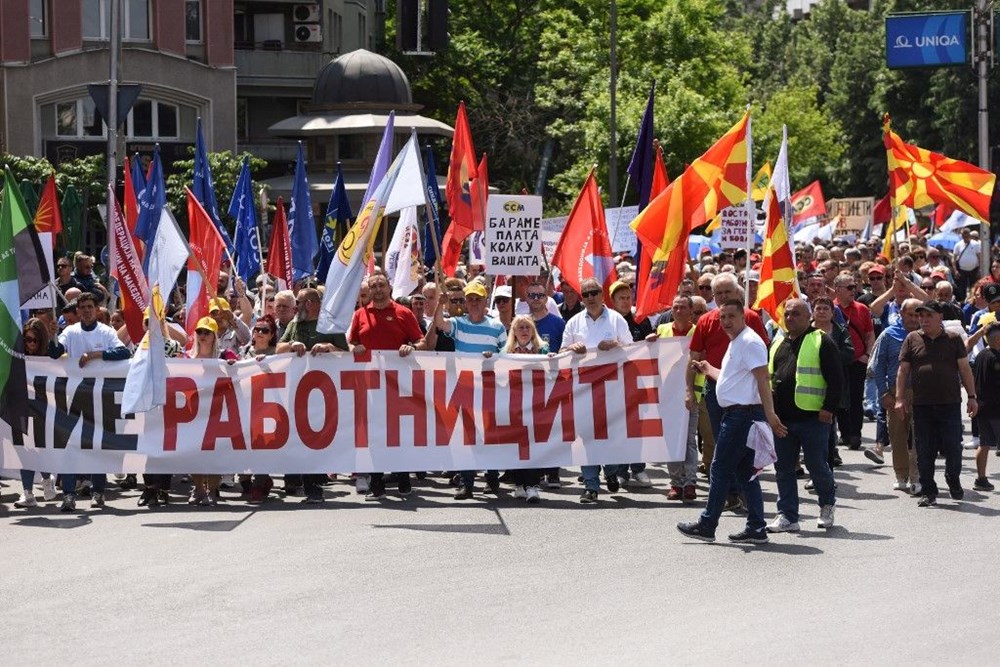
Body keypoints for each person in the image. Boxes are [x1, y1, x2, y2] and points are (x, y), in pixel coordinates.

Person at [676, 301, 787, 544]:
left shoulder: (749, 341)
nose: (726, 321)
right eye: (722, 317)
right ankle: (756, 527)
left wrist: (770, 413)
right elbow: (733, 379)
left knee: (720, 468)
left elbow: (762, 378)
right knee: (745, 472)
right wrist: (709, 369)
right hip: (739, 414)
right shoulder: (737, 341)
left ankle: (707, 524)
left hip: (742, 416)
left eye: (731, 316)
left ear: (743, 317)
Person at [687, 273, 769, 511]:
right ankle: (733, 496)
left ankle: (714, 515)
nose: (723, 297)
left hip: (745, 399)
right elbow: (694, 357)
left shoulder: (751, 320)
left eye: (727, 292)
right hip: (716, 391)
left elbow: (761, 366)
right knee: (720, 442)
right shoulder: (707, 320)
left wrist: (769, 408)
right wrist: (689, 389)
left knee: (738, 453)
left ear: (738, 294)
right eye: (718, 293)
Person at [765, 299, 844, 533]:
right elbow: (769, 378)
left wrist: (828, 409)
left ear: (808, 316)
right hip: (782, 419)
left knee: (817, 465)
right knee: (784, 468)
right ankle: (788, 515)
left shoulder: (821, 340)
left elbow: (837, 379)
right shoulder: (777, 342)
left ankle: (827, 505)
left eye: (796, 314)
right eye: (787, 314)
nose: (790, 318)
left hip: (813, 418)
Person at [49, 292, 132, 511]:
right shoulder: (70, 332)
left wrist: (94, 355)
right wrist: (51, 337)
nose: (86, 310)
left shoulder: (105, 332)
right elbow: (55, 352)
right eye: (82, 307)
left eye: (89, 307)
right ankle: (68, 495)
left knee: (97, 445)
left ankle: (98, 491)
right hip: (74, 397)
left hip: (99, 398)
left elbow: (123, 352)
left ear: (96, 309)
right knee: (69, 446)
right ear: (77, 311)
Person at [348, 273, 427, 500]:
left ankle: (403, 479)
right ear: (369, 291)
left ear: (389, 287)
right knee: (374, 436)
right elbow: (352, 341)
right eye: (374, 286)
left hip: (398, 386)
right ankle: (376, 484)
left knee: (398, 434)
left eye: (382, 285)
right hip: (370, 385)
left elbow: (420, 341)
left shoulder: (404, 313)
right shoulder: (360, 315)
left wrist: (411, 346)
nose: (378, 289)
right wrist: (353, 347)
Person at [896, 300, 978, 507]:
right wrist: (899, 398)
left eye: (928, 316)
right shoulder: (912, 339)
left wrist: (972, 396)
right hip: (921, 405)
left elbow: (965, 369)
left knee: (953, 448)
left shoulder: (953, 339)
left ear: (940, 317)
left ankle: (953, 478)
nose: (923, 320)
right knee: (924, 450)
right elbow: (903, 370)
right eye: (921, 316)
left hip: (949, 404)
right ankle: (929, 491)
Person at [560, 277, 633, 503]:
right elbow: (561, 352)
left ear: (603, 295)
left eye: (594, 293)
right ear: (581, 298)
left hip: (611, 387)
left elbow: (632, 350)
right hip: (583, 387)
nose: (590, 297)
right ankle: (591, 485)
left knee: (608, 435)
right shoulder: (573, 323)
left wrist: (615, 346)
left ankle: (611, 471)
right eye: (586, 294)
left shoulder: (617, 319)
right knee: (587, 437)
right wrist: (571, 347)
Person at [433, 281, 508, 499]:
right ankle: (467, 483)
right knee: (465, 437)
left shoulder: (497, 327)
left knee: (489, 435)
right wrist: (440, 304)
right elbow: (439, 323)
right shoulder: (458, 323)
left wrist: (494, 357)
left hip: (488, 387)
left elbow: (506, 353)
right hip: (464, 387)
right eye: (470, 299)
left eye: (478, 299)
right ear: (466, 302)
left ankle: (492, 479)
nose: (474, 303)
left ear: (485, 301)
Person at [277, 287, 349, 503]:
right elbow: (278, 349)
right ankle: (311, 486)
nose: (296, 307)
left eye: (298, 302)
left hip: (326, 393)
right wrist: (292, 344)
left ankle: (316, 482)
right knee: (302, 438)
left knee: (320, 439)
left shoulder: (330, 326)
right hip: (298, 391)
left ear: (310, 303)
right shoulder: (294, 324)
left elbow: (346, 354)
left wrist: (328, 346)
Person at [866, 298, 922, 492]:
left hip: (923, 393)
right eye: (910, 314)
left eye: (918, 314)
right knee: (898, 435)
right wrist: (883, 393)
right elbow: (877, 367)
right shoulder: (888, 335)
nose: (915, 318)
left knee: (921, 437)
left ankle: (917, 476)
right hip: (895, 393)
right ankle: (901, 474)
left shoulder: (926, 334)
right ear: (901, 314)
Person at [648, 295, 700, 502]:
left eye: (682, 307)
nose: (678, 311)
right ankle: (676, 483)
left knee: (688, 440)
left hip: (691, 393)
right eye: (675, 307)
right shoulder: (662, 330)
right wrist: (650, 342)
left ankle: (690, 482)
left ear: (690, 310)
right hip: (668, 395)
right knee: (671, 439)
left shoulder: (697, 331)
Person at [503, 315, 551, 504]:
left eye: (527, 327)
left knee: (532, 445)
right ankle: (519, 484)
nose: (523, 331)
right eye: (520, 327)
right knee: (517, 445)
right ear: (513, 332)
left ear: (532, 331)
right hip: (514, 405)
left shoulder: (543, 349)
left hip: (536, 404)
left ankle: (532, 485)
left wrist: (553, 360)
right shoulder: (505, 351)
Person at [12, 318, 58, 508]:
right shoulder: (16, 355)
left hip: (43, 410)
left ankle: (47, 478)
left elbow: (59, 352)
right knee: (24, 450)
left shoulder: (49, 355)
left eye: (34, 340)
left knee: (39, 450)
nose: (30, 344)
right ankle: (27, 493)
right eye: (26, 340)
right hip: (20, 409)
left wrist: (54, 336)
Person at [833, 273, 874, 450]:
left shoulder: (862, 309)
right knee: (840, 397)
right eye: (849, 287)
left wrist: (867, 355)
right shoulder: (831, 308)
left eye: (854, 287)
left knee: (856, 398)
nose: (853, 290)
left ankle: (856, 434)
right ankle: (845, 433)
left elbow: (869, 334)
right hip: (837, 361)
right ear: (838, 290)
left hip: (858, 360)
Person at [971, 323, 1000, 491]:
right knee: (986, 443)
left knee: (985, 444)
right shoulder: (996, 358)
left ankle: (981, 479)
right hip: (996, 409)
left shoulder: (981, 355)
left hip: (982, 407)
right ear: (997, 339)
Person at [953, 227, 981, 300]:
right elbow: (954, 258)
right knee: (962, 288)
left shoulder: (976, 244)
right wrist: (955, 270)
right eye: (963, 235)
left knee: (974, 287)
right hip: (962, 270)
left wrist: (980, 269)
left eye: (966, 235)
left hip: (974, 269)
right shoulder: (958, 245)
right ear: (961, 235)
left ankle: (973, 300)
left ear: (969, 235)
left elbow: (979, 257)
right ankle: (962, 301)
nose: (965, 237)